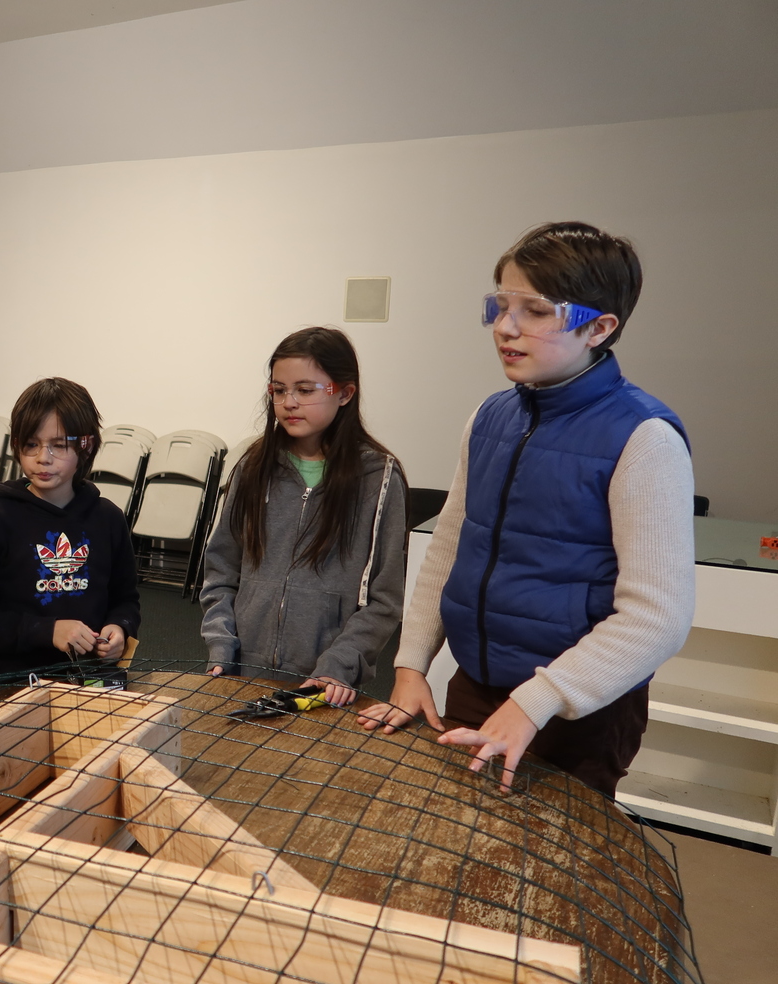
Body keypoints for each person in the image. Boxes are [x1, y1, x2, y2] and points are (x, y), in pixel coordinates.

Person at [358, 222, 695, 798]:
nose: (505, 328)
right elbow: (449, 549)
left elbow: (657, 619)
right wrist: (411, 663)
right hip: (477, 684)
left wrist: (536, 702)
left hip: (577, 710)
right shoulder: (489, 418)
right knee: (461, 850)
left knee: (553, 874)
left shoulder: (644, 437)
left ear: (599, 326)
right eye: (500, 305)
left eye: (536, 310)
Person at [200, 327, 407, 707]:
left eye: (305, 390)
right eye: (279, 390)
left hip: (324, 684)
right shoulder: (253, 467)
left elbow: (383, 599)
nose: (289, 402)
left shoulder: (378, 477)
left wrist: (341, 663)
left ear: (344, 393)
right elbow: (221, 571)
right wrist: (221, 642)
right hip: (241, 673)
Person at [0, 377, 140, 679]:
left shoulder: (108, 519)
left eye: (58, 446)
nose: (42, 458)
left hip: (93, 683)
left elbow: (126, 599)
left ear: (86, 446)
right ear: (17, 445)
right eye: (31, 445)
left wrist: (119, 627)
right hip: (17, 689)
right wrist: (46, 630)